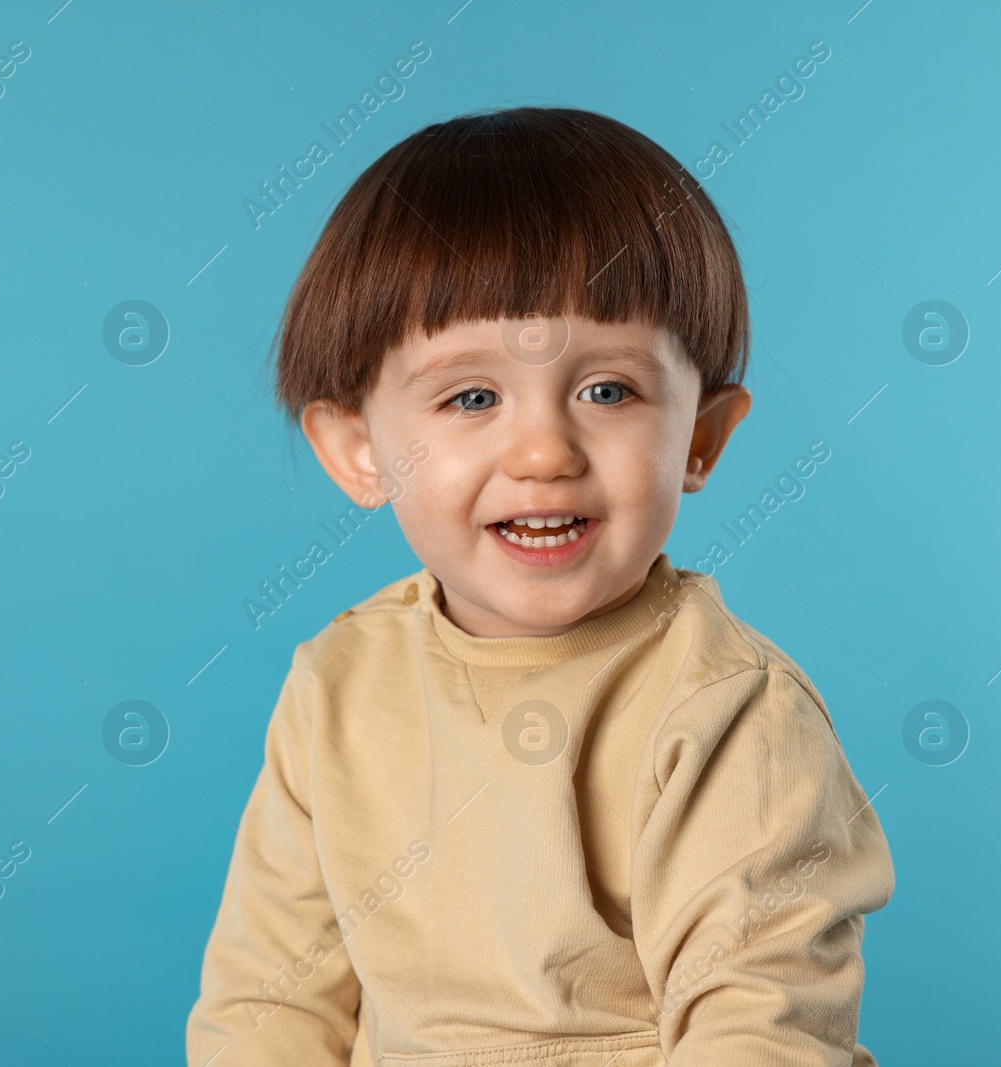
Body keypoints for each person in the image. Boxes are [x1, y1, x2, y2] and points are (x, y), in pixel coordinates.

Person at [186, 106, 894, 1067]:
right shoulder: (338, 683)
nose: (543, 451)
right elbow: (267, 1003)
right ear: (358, 450)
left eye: (608, 390)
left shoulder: (730, 713)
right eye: (471, 397)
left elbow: (759, 1026)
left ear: (702, 437)